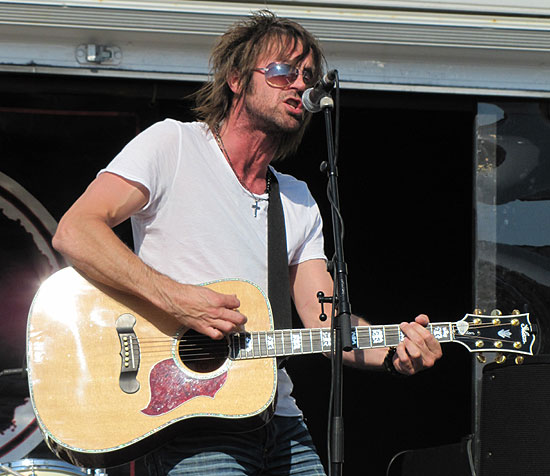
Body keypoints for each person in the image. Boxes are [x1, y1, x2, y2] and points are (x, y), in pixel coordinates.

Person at [52, 10, 442, 476]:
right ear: (237, 80)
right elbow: (77, 231)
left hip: (279, 420)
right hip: (189, 416)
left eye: (308, 76)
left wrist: (397, 353)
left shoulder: (296, 198)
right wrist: (179, 300)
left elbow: (324, 323)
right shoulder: (173, 146)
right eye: (282, 71)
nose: (299, 85)